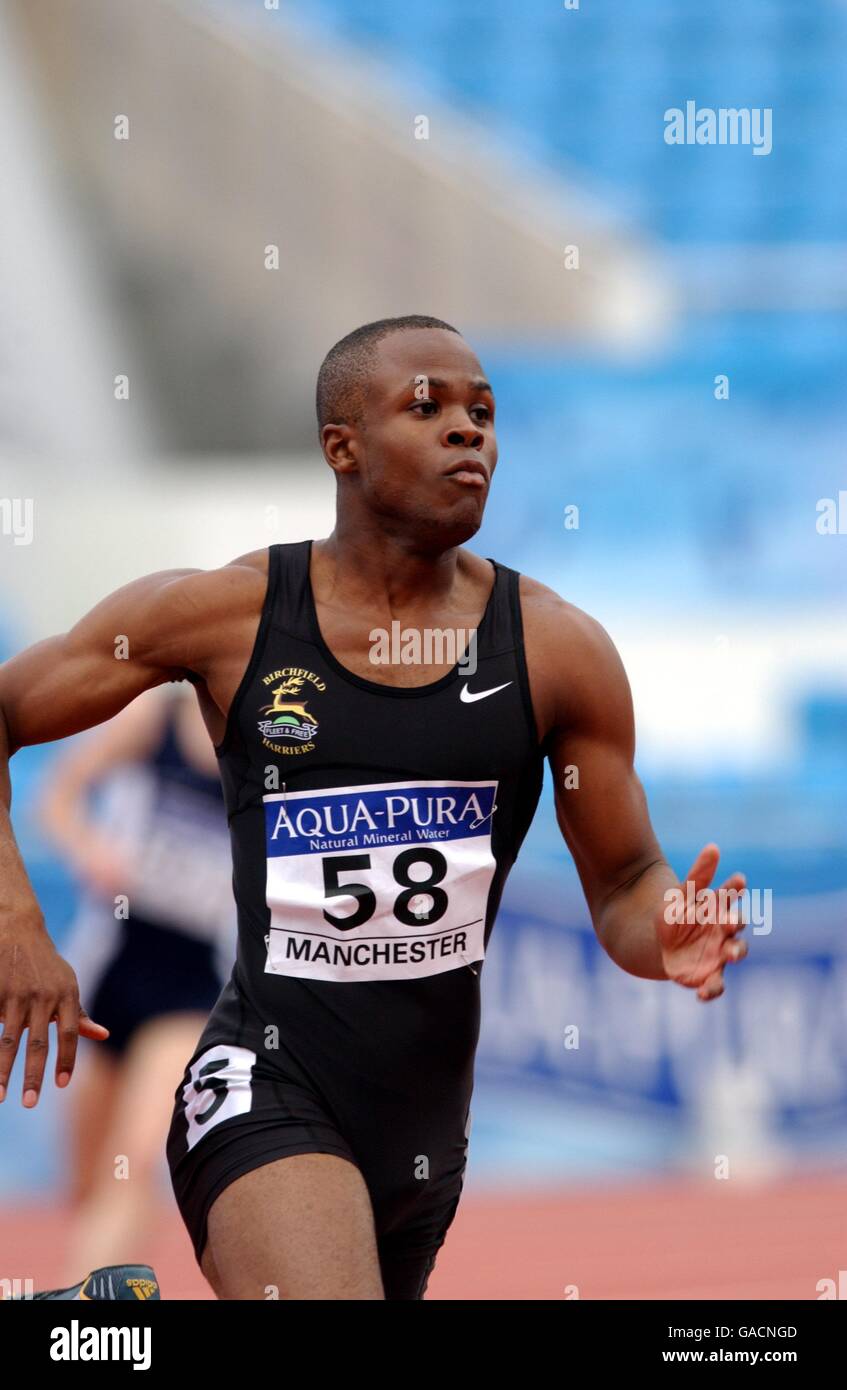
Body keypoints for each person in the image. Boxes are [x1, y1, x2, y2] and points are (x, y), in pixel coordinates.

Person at [0, 315, 748, 1301]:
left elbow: (622, 881)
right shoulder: (229, 617)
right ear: (340, 446)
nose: (467, 432)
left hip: (426, 1135)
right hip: (262, 1085)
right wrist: (16, 922)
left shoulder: (558, 652)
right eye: (428, 407)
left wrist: (665, 928)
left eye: (483, 412)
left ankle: (101, 1329)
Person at [36, 685, 236, 1284]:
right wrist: (90, 851)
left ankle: (92, 1321)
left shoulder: (271, 745)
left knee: (136, 1157)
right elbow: (59, 796)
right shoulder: (158, 718)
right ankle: (98, 1287)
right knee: (88, 1181)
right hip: (111, 972)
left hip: (191, 985)